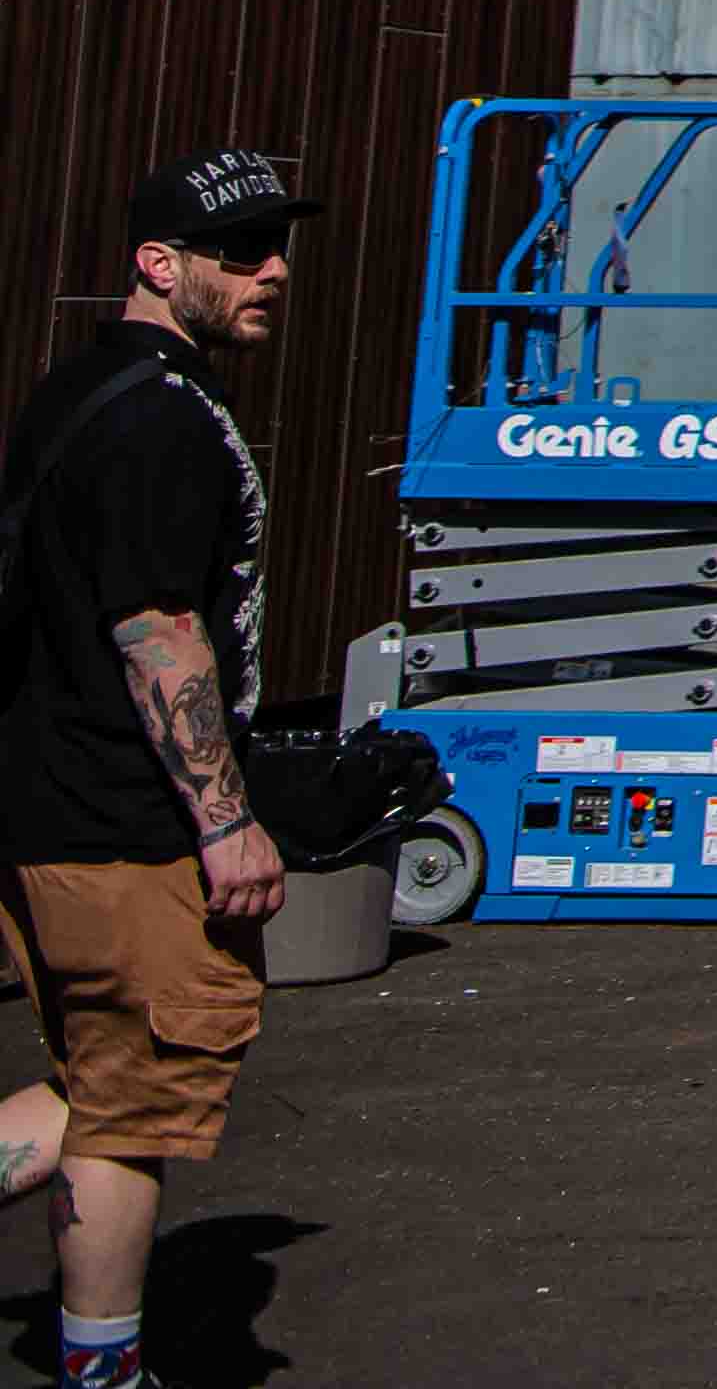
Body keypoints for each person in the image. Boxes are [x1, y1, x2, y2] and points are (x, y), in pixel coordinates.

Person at [5, 153, 303, 1389]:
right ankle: (104, 1372)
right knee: (133, 1110)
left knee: (95, 1087)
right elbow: (156, 629)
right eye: (240, 250)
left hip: (50, 804)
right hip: (128, 824)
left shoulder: (81, 390)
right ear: (158, 263)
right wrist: (226, 821)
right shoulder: (162, 418)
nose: (272, 270)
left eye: (279, 246)